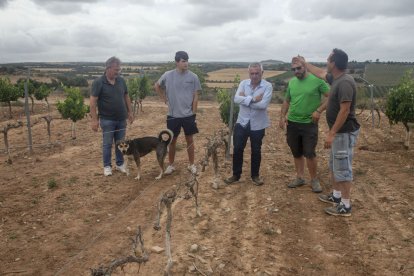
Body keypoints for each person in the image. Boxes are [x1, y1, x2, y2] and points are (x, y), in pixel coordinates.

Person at [298, 48, 360, 216]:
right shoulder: (336, 79)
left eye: (328, 59)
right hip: (339, 133)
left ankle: (345, 206)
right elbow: (319, 73)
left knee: (343, 168)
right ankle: (336, 195)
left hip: (343, 133)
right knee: (335, 165)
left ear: (334, 63)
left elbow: (345, 110)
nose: (326, 62)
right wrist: (304, 63)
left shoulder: (345, 82)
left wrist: (332, 133)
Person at [279, 57, 330, 193]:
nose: (296, 71)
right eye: (294, 69)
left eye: (299, 68)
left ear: (305, 66)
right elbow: (286, 101)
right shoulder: (292, 83)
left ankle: (314, 180)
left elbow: (331, 96)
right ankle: (300, 178)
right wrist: (282, 116)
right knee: (296, 152)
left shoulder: (317, 80)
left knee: (309, 153)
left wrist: (319, 110)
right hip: (292, 123)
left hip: (309, 124)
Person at [224, 63, 273, 186]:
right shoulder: (243, 83)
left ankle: (255, 176)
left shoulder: (267, 86)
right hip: (242, 122)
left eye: (257, 73)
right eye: (252, 73)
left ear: (262, 73)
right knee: (238, 148)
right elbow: (236, 99)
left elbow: (263, 105)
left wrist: (245, 99)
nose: (254, 76)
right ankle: (236, 175)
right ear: (249, 73)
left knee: (256, 150)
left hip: (258, 124)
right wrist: (254, 99)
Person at [154, 51, 201, 175]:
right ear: (177, 62)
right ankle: (171, 165)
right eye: (183, 61)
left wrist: (194, 113)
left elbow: (196, 96)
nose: (186, 63)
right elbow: (157, 86)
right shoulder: (167, 75)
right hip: (173, 115)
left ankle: (191, 164)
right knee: (172, 141)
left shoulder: (193, 77)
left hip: (188, 115)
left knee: (189, 139)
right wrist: (163, 98)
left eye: (187, 60)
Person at [90, 56, 134, 176]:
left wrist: (130, 112)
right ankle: (107, 166)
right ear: (108, 68)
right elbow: (93, 102)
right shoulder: (98, 82)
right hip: (107, 120)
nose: (118, 72)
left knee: (121, 143)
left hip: (121, 119)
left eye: (119, 69)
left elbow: (126, 96)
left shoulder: (121, 80)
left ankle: (119, 164)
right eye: (116, 69)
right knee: (107, 144)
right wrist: (94, 120)